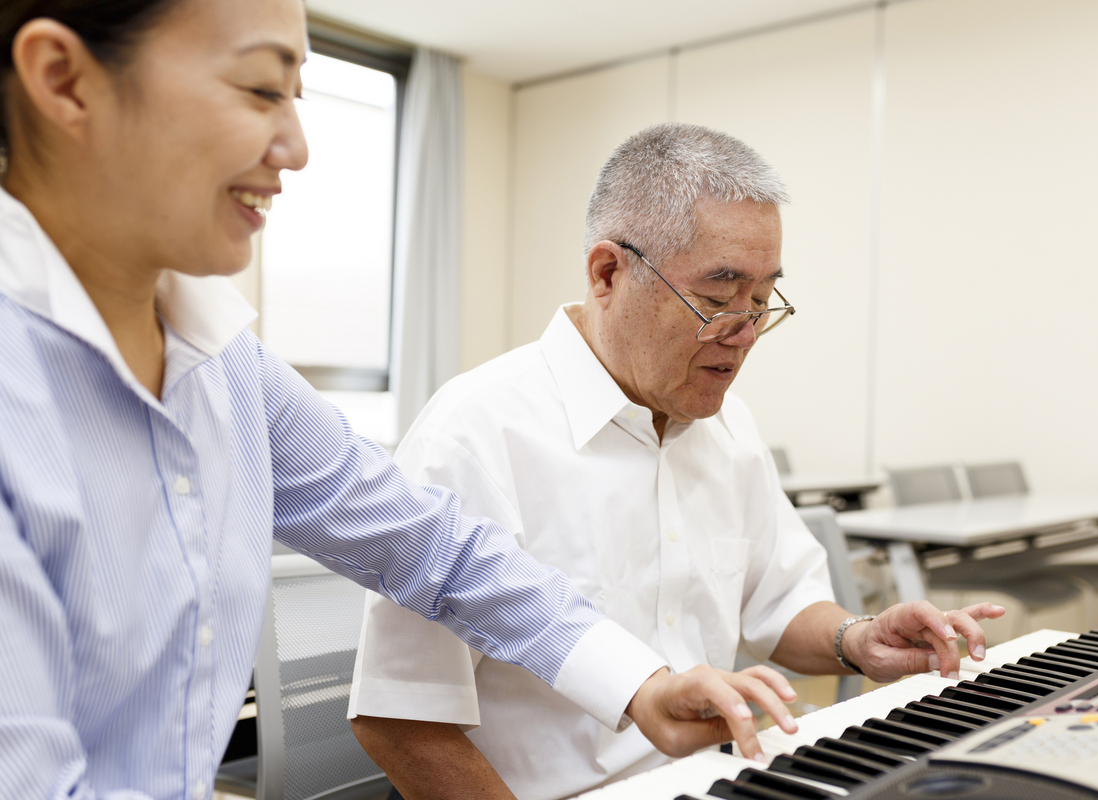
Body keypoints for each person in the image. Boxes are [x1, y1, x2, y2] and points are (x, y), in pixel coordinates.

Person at [0, 5, 806, 800]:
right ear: (64, 81)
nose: (297, 149)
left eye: (295, 98)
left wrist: (639, 685)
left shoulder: (225, 363)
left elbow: (432, 547)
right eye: (259, 90)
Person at [349, 123, 1007, 800]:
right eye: (717, 300)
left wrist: (857, 639)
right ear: (607, 273)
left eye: (761, 301)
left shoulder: (729, 428)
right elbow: (399, 718)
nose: (744, 335)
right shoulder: (476, 433)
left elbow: (779, 602)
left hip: (715, 777)